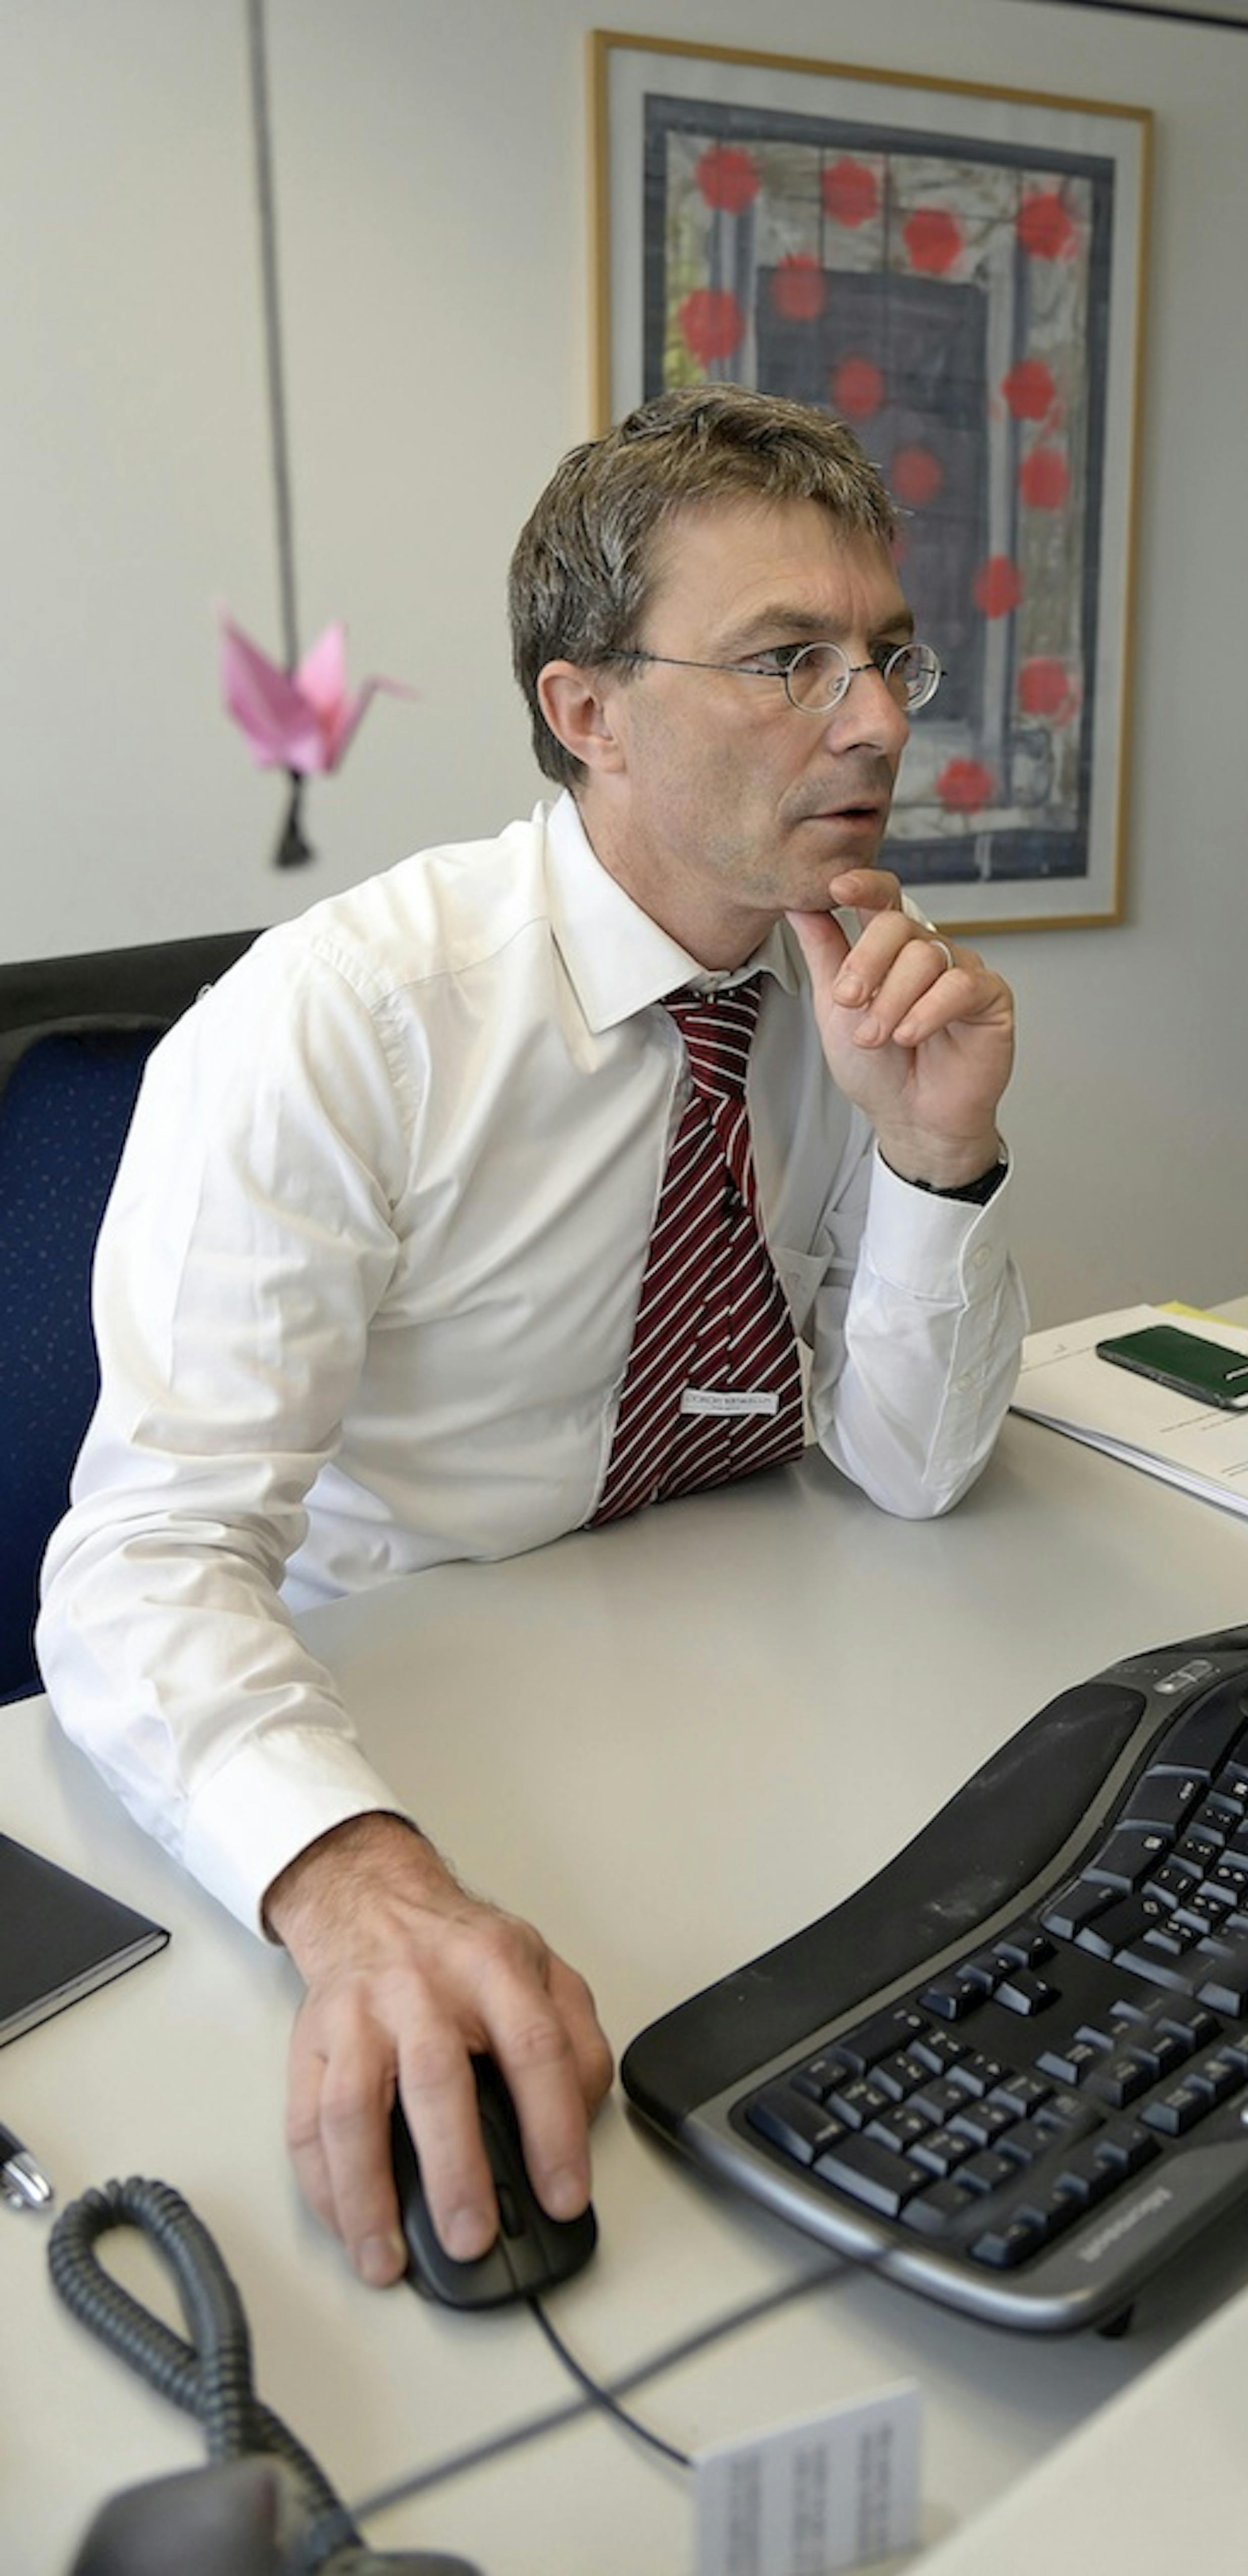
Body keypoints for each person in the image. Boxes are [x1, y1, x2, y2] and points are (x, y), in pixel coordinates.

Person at [37, 384, 1025, 2291]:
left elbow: (907, 1469)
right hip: (395, 1720)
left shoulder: (831, 980)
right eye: (788, 659)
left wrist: (934, 1160)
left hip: (727, 1693)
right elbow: (140, 1563)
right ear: (587, 713)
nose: (884, 719)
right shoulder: (344, 1024)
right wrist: (353, 1885)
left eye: (886, 652)